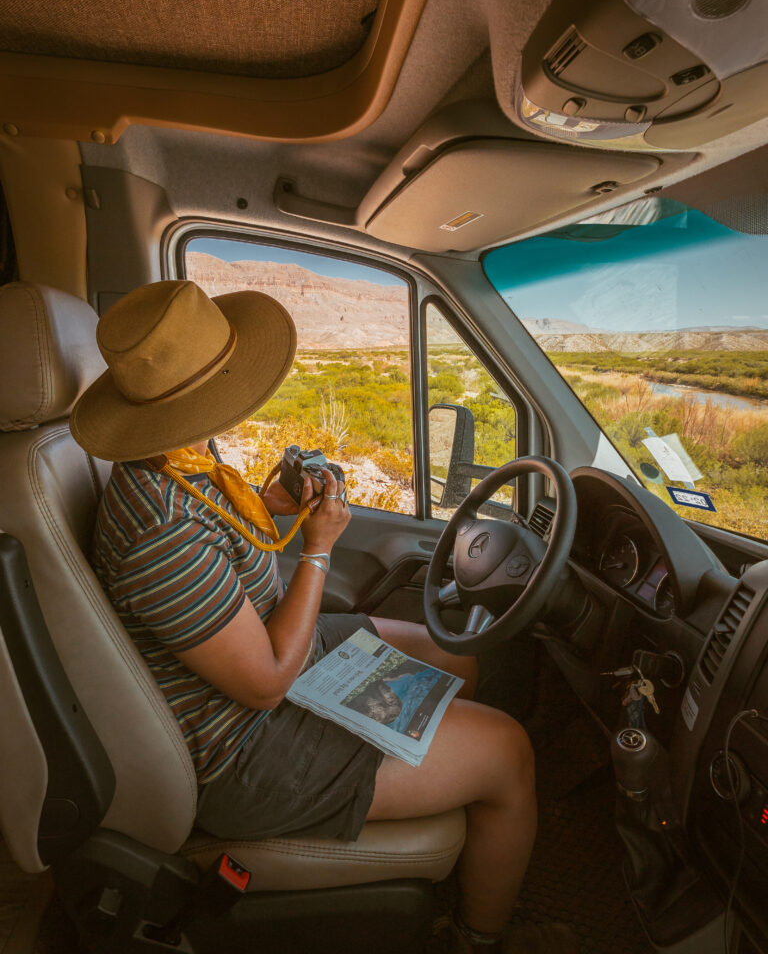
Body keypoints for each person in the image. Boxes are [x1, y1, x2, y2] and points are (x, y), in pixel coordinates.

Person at [71, 280, 571, 954]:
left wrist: (268, 505)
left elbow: (216, 537)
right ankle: (478, 940)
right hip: (246, 745)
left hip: (271, 658)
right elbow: (266, 683)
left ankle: (445, 798)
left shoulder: (177, 459)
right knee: (510, 753)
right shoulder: (159, 531)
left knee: (456, 657)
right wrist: (317, 548)